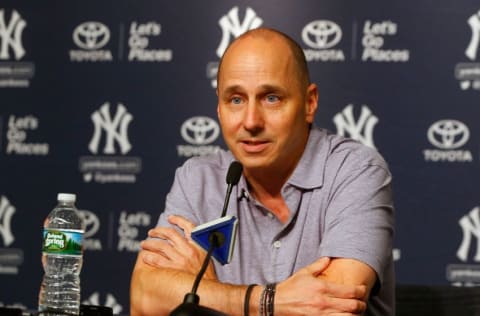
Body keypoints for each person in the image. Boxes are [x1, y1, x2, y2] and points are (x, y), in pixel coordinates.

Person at [130, 27, 394, 316]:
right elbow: (145, 297)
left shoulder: (355, 170)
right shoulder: (197, 180)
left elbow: (330, 307)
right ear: (219, 107)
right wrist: (269, 301)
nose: (251, 121)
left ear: (310, 102)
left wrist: (204, 293)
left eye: (271, 98)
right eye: (236, 100)